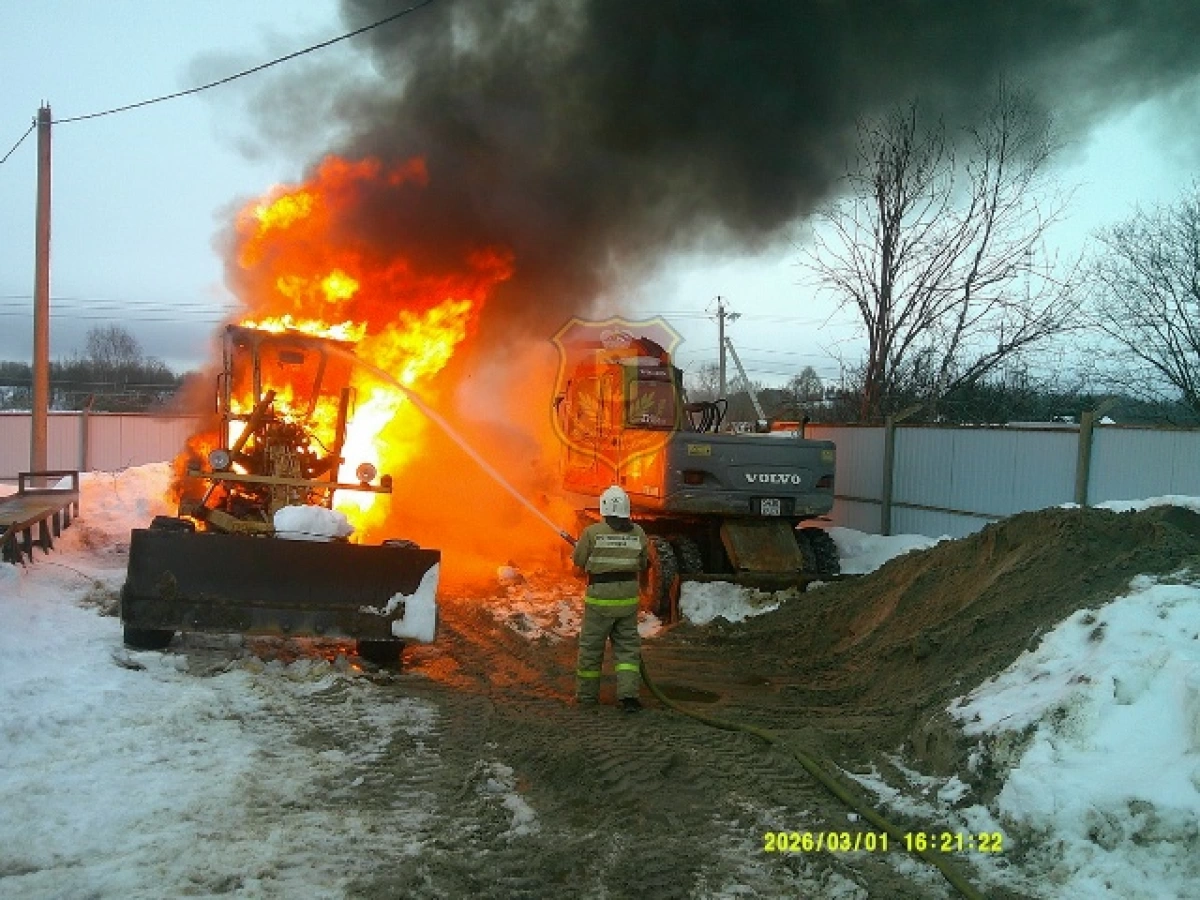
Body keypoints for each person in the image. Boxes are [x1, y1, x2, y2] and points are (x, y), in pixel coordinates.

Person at [572, 485, 650, 712]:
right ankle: (628, 697)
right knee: (627, 650)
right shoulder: (639, 533)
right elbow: (643, 563)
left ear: (604, 508)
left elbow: (578, 562)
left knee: (591, 649)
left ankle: (587, 697)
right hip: (627, 600)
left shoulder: (591, 532)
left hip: (600, 602)